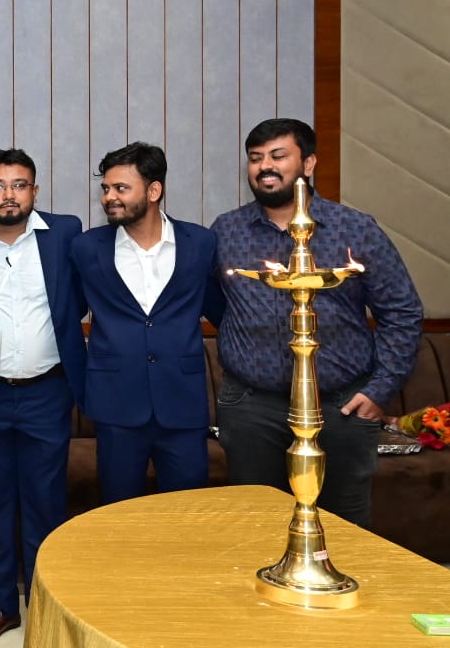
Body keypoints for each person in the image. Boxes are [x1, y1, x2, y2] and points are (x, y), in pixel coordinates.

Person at [211, 118, 422, 528]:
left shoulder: (355, 229)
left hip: (341, 407)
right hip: (252, 409)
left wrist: (379, 390)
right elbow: (217, 304)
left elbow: (402, 312)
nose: (264, 166)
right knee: (256, 524)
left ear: (308, 163)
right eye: (255, 158)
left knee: (344, 528)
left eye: (278, 156)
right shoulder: (227, 231)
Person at [0, 149, 86, 643]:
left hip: (46, 391)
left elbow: (81, 299)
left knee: (46, 502)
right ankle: (2, 603)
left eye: (19, 185)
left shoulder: (65, 234)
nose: (9, 195)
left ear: (35, 191)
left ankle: (47, 605)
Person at [69, 143, 224, 504]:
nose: (109, 197)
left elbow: (222, 312)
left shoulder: (200, 243)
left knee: (187, 512)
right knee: (120, 513)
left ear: (154, 191)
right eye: (106, 189)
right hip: (115, 403)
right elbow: (70, 312)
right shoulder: (86, 248)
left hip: (183, 402)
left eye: (121, 188)